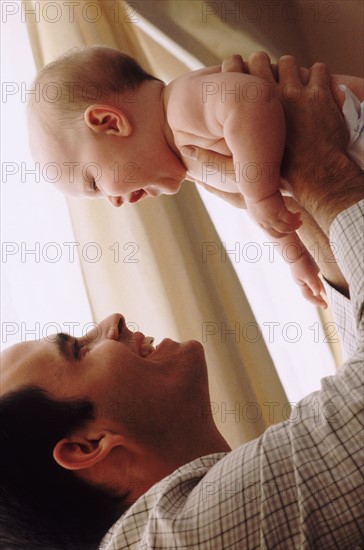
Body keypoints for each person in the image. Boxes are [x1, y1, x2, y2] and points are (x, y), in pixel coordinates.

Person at [2, 53, 363, 549]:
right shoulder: (182, 536)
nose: (110, 319)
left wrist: (303, 196)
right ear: (88, 446)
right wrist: (321, 175)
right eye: (79, 349)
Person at [27, 46, 364, 307]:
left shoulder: (179, 107)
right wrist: (296, 255)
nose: (113, 201)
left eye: (95, 183)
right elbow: (271, 210)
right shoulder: (196, 166)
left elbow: (250, 98)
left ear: (110, 122)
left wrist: (262, 195)